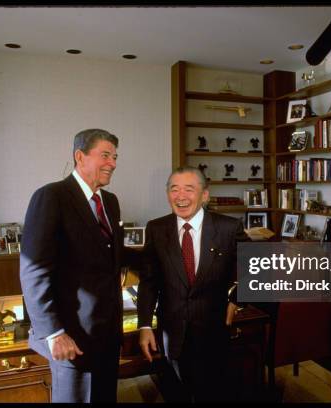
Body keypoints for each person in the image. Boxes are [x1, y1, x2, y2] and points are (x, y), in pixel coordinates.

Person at [20, 128, 127, 403]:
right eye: (105, 155)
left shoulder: (110, 203)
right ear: (80, 156)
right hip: (72, 338)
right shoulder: (51, 197)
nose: (113, 163)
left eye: (115, 157)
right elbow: (34, 270)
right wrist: (54, 333)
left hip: (108, 335)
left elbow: (112, 256)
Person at [137, 166, 248, 402]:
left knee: (213, 392)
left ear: (205, 195)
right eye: (174, 189)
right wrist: (145, 325)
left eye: (189, 189)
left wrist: (236, 299)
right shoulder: (156, 229)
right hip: (171, 332)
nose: (181, 196)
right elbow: (148, 282)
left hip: (214, 330)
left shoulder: (229, 228)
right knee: (176, 392)